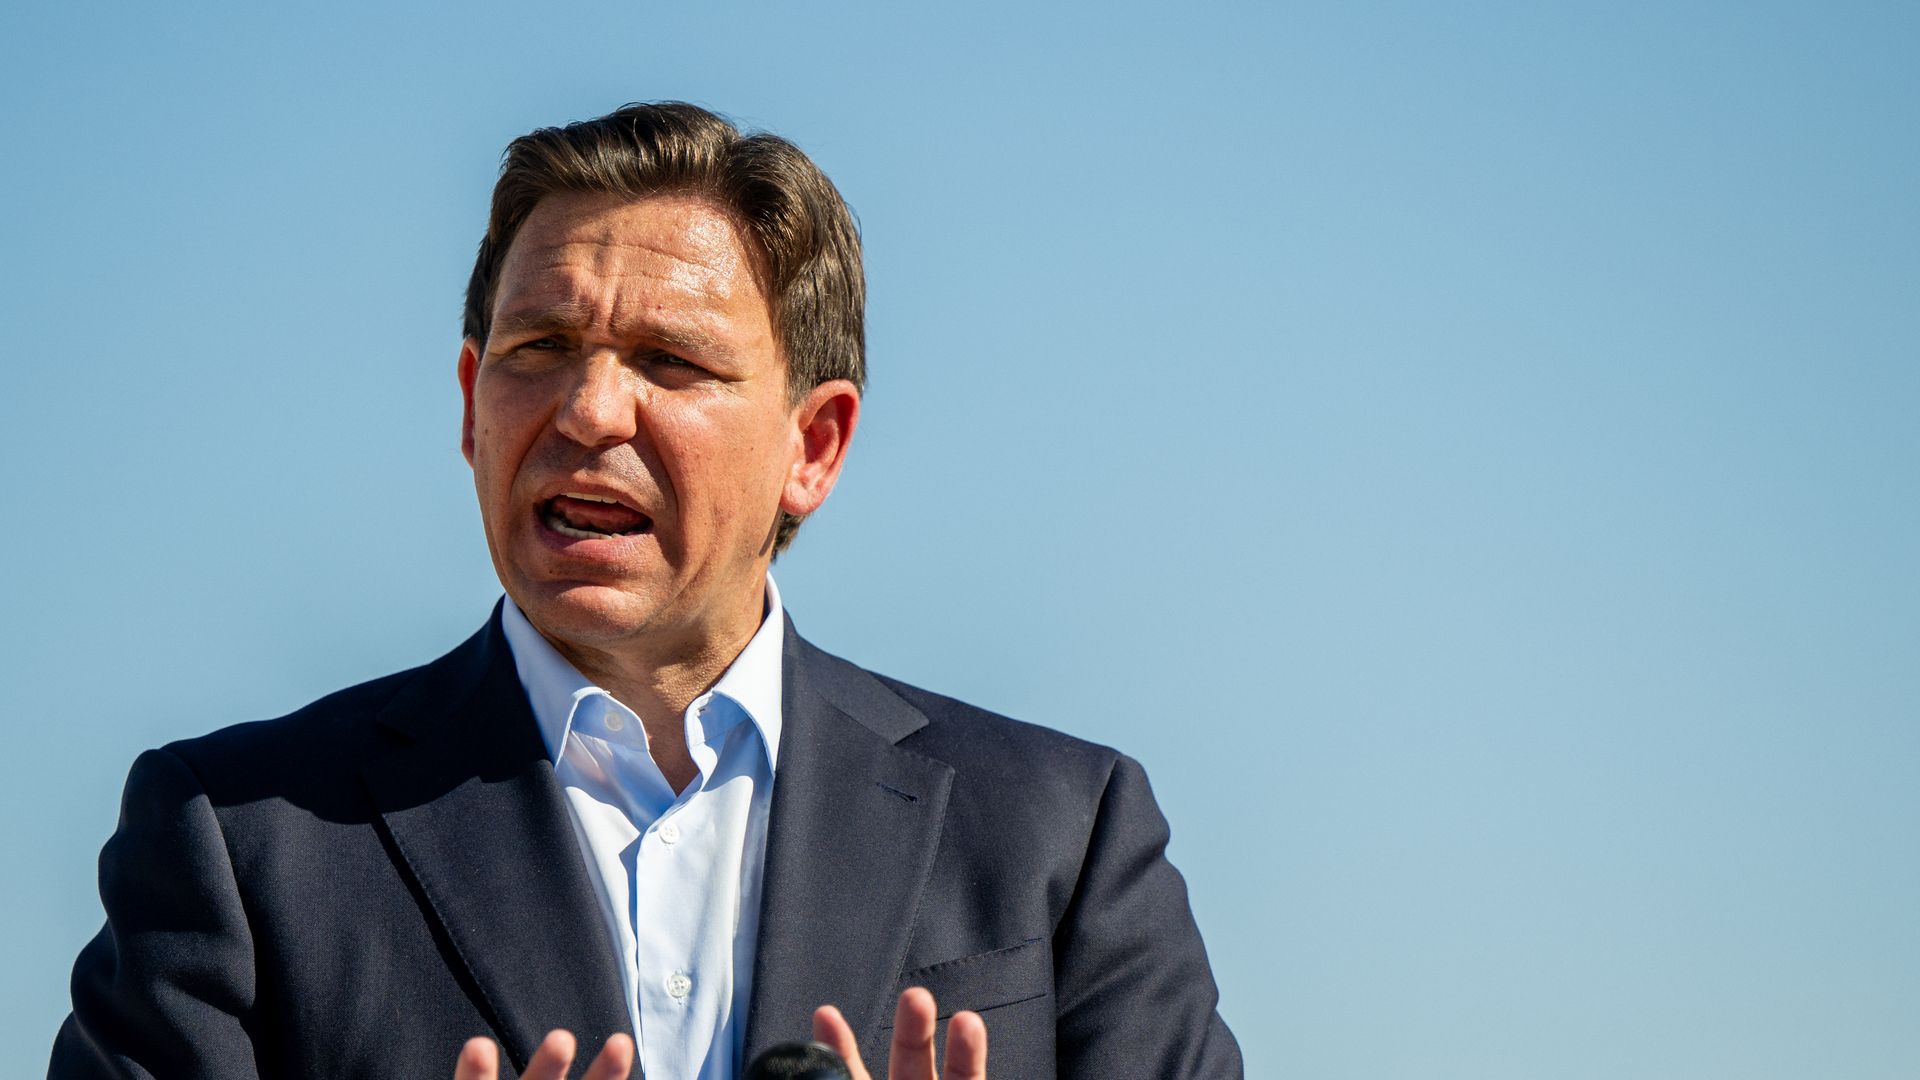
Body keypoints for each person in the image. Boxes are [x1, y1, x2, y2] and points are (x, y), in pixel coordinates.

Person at [50, 102, 1242, 1080]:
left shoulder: (1063, 833)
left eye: (669, 362)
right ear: (471, 404)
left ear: (813, 445)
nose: (585, 412)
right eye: (538, 352)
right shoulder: (240, 839)